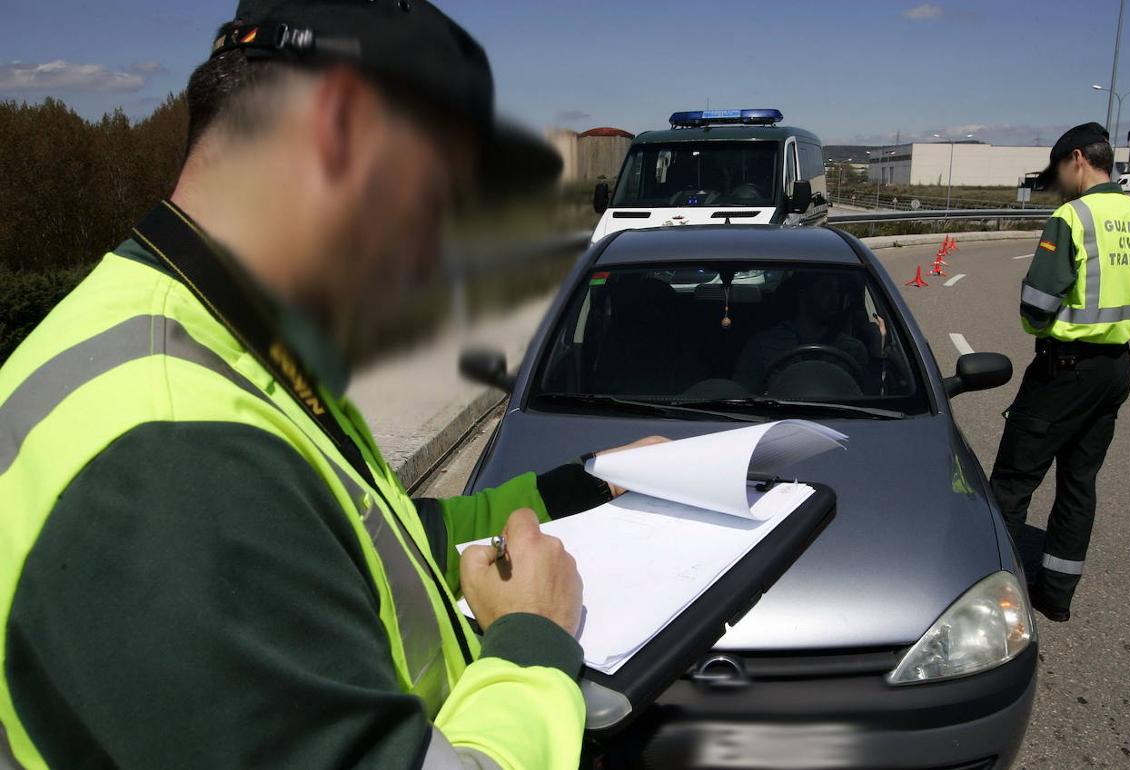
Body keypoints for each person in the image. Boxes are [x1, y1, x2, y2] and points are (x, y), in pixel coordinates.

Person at [0, 2, 662, 767]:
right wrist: (532, 644)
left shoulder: (223, 347)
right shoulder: (180, 462)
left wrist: (581, 490)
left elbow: (390, 539)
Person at [989, 122, 1130, 623]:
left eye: (1060, 171)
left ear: (1077, 160)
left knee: (1011, 483)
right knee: (1079, 482)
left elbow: (1036, 307)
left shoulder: (1073, 217)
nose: (1059, 182)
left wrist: (1053, 322)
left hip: (1063, 370)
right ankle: (1057, 594)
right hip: (1114, 370)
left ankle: (991, 595)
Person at [733, 273, 873, 394]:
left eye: (838, 292)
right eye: (826, 289)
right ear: (803, 293)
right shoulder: (764, 345)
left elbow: (870, 400)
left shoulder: (852, 349)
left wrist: (878, 354)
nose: (835, 299)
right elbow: (742, 395)